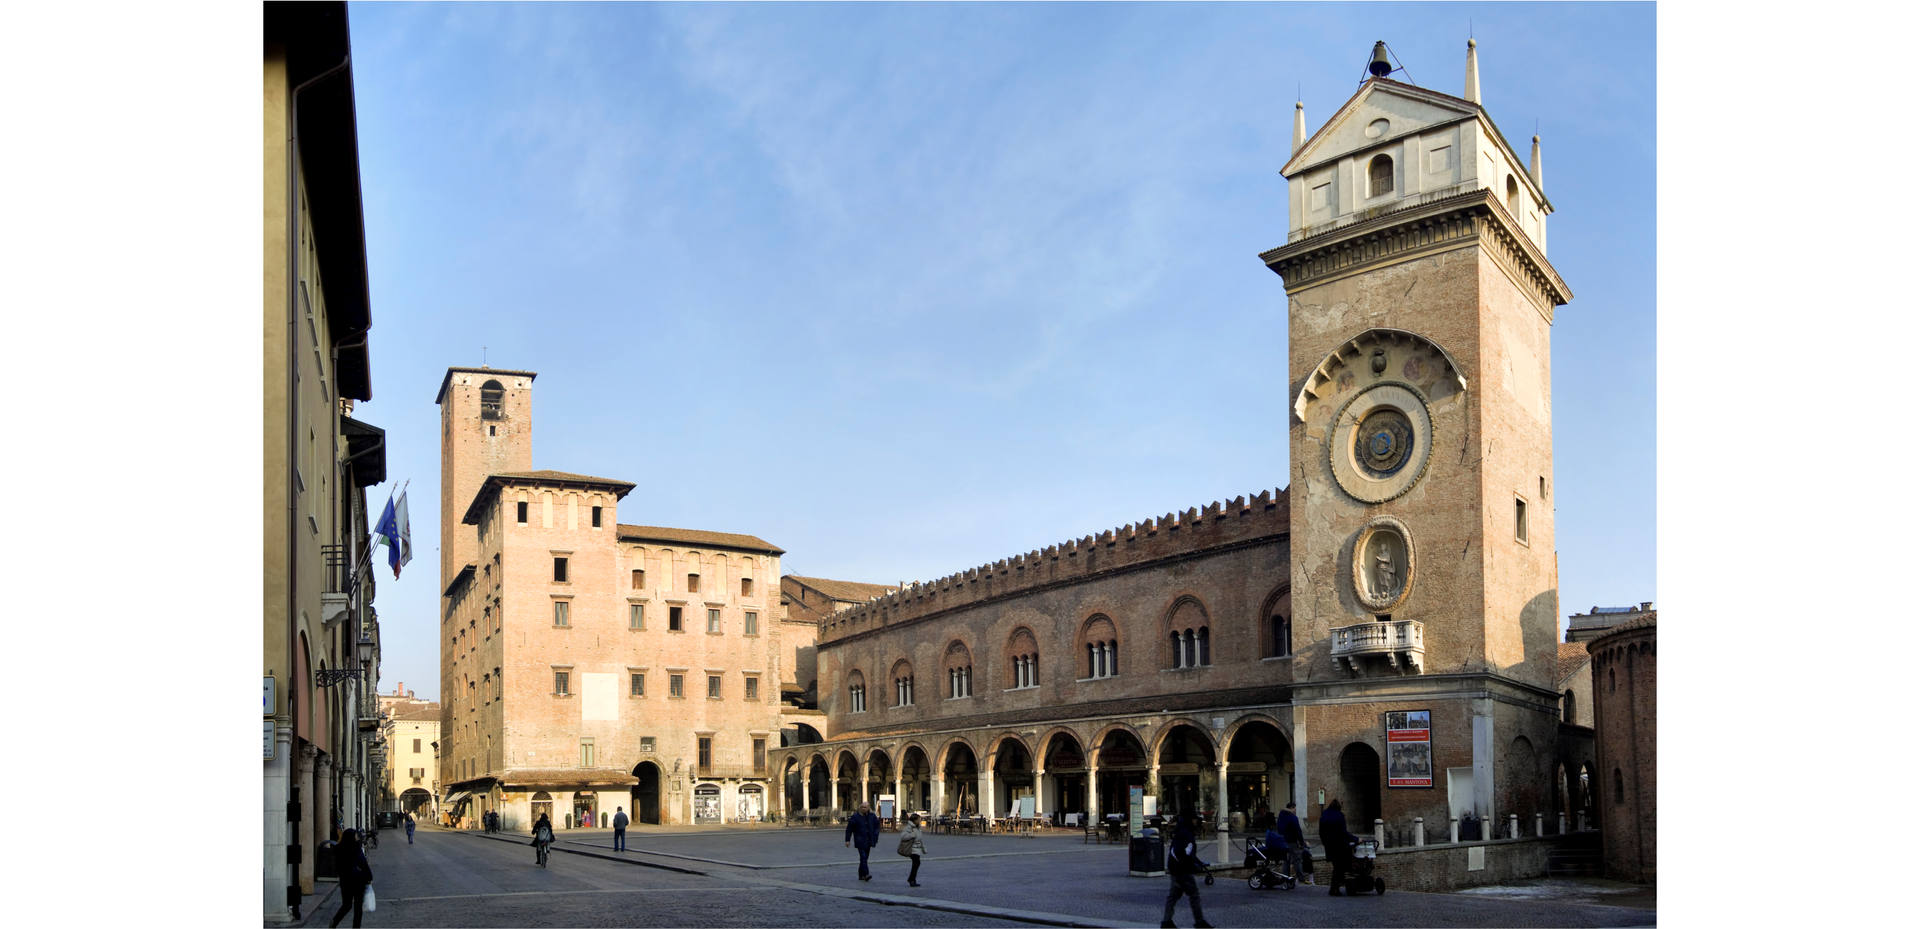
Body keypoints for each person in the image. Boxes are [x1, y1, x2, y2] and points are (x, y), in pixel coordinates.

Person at [1160, 813, 1213, 929]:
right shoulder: (1186, 833)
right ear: (1189, 819)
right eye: (1194, 819)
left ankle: (1166, 921)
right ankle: (1199, 922)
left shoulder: (1180, 830)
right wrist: (1190, 864)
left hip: (1175, 868)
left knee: (1173, 896)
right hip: (1183, 870)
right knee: (1194, 894)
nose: (1196, 821)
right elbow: (1184, 852)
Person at [329, 829, 373, 929]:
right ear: (353, 837)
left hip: (345, 880)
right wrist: (369, 876)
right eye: (356, 836)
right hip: (357, 880)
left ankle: (335, 921)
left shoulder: (338, 848)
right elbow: (362, 863)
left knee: (346, 904)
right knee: (358, 907)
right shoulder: (355, 847)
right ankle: (356, 927)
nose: (357, 837)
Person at [1318, 798, 1358, 896]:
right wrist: (1356, 839)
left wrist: (1325, 843)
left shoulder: (1323, 816)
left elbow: (1321, 833)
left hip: (1329, 845)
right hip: (1340, 845)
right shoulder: (1339, 816)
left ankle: (1337, 886)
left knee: (1336, 865)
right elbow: (1343, 832)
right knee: (1340, 867)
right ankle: (1334, 889)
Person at [844, 802, 879, 881]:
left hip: (869, 840)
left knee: (864, 858)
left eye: (865, 807)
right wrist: (847, 840)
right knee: (863, 857)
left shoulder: (872, 816)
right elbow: (849, 829)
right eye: (862, 807)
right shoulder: (855, 817)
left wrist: (876, 835)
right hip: (860, 840)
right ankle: (866, 874)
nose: (863, 809)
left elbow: (876, 826)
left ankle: (861, 875)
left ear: (868, 808)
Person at [1278, 801, 1308, 884]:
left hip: (1283, 842)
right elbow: (1298, 831)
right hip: (1292, 842)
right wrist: (1302, 842)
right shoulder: (1293, 818)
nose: (1295, 810)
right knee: (1297, 860)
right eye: (1294, 809)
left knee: (1286, 861)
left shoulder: (1280, 817)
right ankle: (1301, 879)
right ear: (1291, 808)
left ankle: (1285, 877)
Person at [899, 812, 927, 887]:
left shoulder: (918, 828)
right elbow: (903, 837)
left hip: (918, 848)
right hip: (911, 848)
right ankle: (911, 879)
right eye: (918, 820)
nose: (920, 821)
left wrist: (924, 849)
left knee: (916, 864)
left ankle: (912, 879)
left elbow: (921, 839)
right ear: (914, 820)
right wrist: (912, 835)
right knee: (916, 862)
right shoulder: (908, 828)